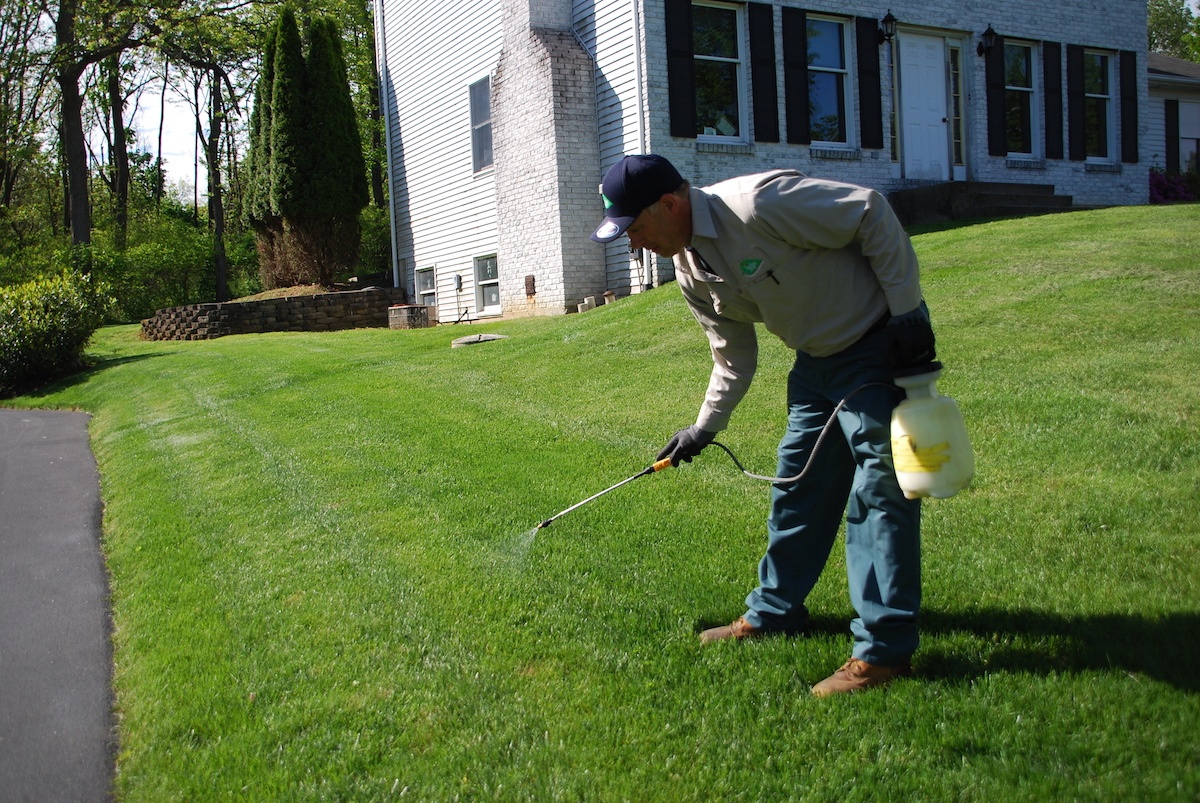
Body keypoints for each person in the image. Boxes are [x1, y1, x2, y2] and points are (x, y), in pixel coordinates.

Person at [591, 154, 937, 697]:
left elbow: (870, 211)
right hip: (815, 366)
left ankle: (884, 651)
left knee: (878, 496)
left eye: (635, 228)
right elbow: (732, 356)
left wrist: (907, 309)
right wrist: (702, 430)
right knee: (796, 488)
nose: (634, 244)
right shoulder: (690, 269)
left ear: (669, 204)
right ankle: (774, 612)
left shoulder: (759, 205)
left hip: (878, 345)